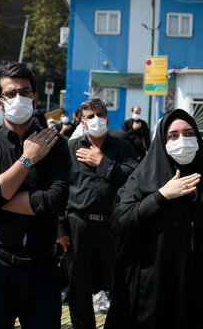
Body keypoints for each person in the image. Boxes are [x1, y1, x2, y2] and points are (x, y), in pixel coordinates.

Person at [105, 109, 203, 329]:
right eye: (174, 135)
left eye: (189, 133)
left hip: (201, 298)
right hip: (151, 297)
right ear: (162, 140)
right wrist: (161, 195)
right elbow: (120, 223)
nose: (183, 140)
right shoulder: (142, 179)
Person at [0, 62, 71, 329]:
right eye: (11, 94)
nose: (18, 99)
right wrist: (28, 159)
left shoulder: (55, 144)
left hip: (43, 267)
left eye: (25, 92)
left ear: (35, 97)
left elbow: (53, 201)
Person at [58, 98, 138, 329]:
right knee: (79, 288)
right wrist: (61, 228)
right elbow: (60, 190)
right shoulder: (70, 149)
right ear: (82, 122)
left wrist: (103, 163)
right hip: (78, 226)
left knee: (120, 285)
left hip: (115, 227)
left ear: (107, 118)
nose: (96, 120)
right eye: (90, 116)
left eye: (100, 114)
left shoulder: (123, 147)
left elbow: (134, 180)